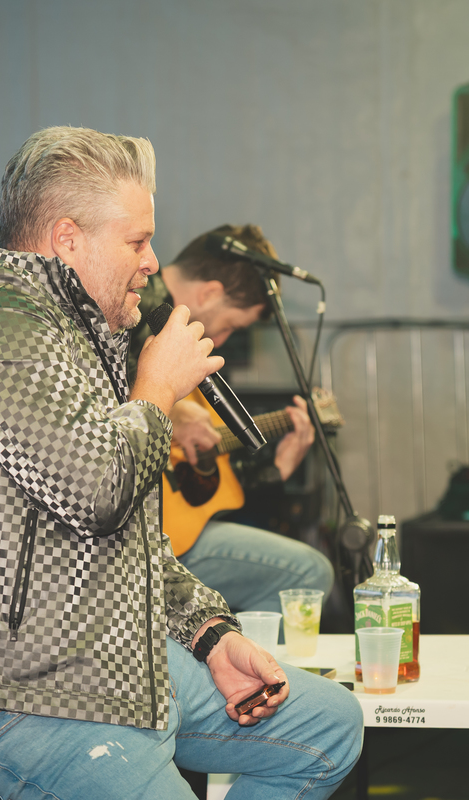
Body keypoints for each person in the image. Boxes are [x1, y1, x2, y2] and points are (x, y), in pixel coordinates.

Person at [0, 126, 363, 799]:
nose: (153, 262)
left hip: (103, 654)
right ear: (68, 239)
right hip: (7, 687)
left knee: (330, 727)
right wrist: (156, 390)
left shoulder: (77, 333)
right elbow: (98, 490)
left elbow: (126, 535)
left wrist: (212, 636)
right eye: (136, 242)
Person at [127, 223, 334, 616]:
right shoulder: (134, 312)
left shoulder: (186, 352)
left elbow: (201, 487)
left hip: (170, 529)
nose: (220, 341)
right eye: (231, 326)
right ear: (209, 293)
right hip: (132, 538)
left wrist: (274, 470)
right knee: (309, 572)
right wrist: (170, 406)